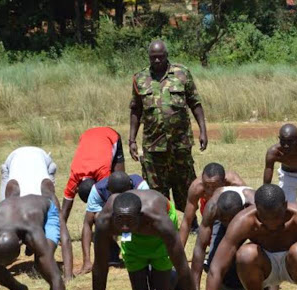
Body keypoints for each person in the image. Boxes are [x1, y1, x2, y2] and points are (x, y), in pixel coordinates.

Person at [83, 190, 200, 290]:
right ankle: (150, 268)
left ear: (140, 215)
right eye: (120, 220)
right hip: (136, 233)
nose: (124, 227)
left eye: (129, 221)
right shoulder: (105, 221)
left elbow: (181, 262)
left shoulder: (160, 221)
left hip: (157, 231)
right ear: (113, 216)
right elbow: (100, 265)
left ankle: (174, 279)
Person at [129, 39, 208, 218]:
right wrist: (132, 140)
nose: (157, 61)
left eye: (160, 57)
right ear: (149, 57)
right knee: (156, 187)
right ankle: (163, 221)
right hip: (153, 145)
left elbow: (195, 103)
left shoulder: (182, 73)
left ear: (167, 56)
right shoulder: (139, 78)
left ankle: (191, 221)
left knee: (186, 183)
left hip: (180, 143)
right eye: (153, 58)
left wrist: (203, 130)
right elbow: (135, 110)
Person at [0, 195, 68, 290]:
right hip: (15, 212)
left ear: (21, 242)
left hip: (45, 212)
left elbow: (56, 277)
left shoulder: (32, 231)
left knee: (43, 264)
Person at [0, 146, 73, 280]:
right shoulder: (9, 203)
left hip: (44, 159)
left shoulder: (49, 196)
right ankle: (30, 244)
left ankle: (32, 246)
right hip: (13, 158)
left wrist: (68, 275)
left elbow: (65, 237)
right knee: (4, 231)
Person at [191, 187, 255, 290]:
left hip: (244, 219)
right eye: (224, 220)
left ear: (242, 210)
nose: (228, 224)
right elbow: (200, 247)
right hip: (225, 214)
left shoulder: (254, 207)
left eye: (230, 220)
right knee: (215, 266)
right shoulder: (212, 209)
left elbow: (268, 244)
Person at [80, 171, 149, 275]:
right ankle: (112, 251)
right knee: (98, 218)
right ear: (108, 189)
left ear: (130, 186)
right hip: (113, 216)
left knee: (143, 216)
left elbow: (149, 215)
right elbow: (87, 223)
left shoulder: (141, 186)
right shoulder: (98, 190)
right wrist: (87, 261)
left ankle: (141, 252)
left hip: (136, 218)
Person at [62, 126, 125, 224]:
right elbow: (65, 207)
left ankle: (123, 222)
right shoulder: (74, 177)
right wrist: (60, 232)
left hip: (110, 135)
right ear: (77, 188)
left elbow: (108, 199)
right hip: (87, 135)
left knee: (120, 184)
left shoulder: (103, 174)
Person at [179, 163, 245, 245]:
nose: (210, 191)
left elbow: (246, 214)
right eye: (206, 186)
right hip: (208, 205)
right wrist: (178, 253)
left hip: (230, 207)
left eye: (214, 187)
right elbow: (187, 221)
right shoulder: (196, 188)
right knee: (209, 237)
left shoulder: (236, 185)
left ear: (224, 182)